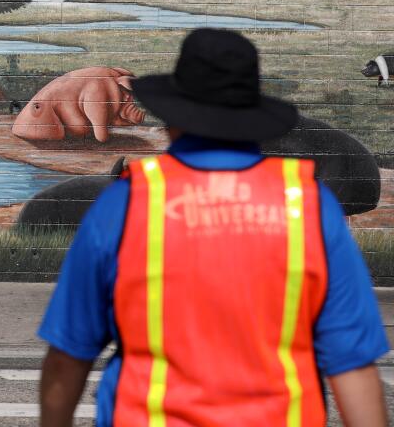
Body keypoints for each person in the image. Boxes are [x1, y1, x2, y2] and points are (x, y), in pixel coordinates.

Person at [38, 28, 390, 427]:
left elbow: (69, 355)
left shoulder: (124, 204)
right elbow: (352, 364)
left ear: (172, 120)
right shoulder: (310, 207)